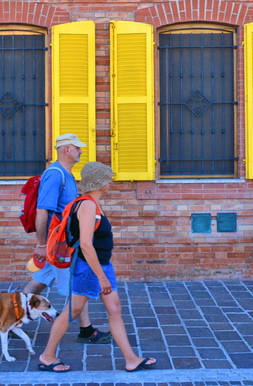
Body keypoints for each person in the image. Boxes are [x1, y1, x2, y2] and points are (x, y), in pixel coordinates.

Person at [38, 161, 157, 373]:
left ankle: (131, 359)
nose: (110, 181)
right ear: (99, 182)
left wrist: (104, 271)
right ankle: (47, 356)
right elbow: (85, 244)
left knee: (115, 308)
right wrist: (101, 277)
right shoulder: (87, 205)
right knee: (72, 311)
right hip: (89, 268)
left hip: (101, 265)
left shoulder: (92, 202)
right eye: (107, 178)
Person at [23, 134, 112, 344]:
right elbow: (43, 211)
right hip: (60, 246)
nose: (81, 151)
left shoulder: (66, 175)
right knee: (76, 285)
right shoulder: (55, 175)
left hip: (58, 243)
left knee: (38, 282)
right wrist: (41, 245)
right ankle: (86, 330)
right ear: (66, 150)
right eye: (77, 148)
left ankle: (11, 315)